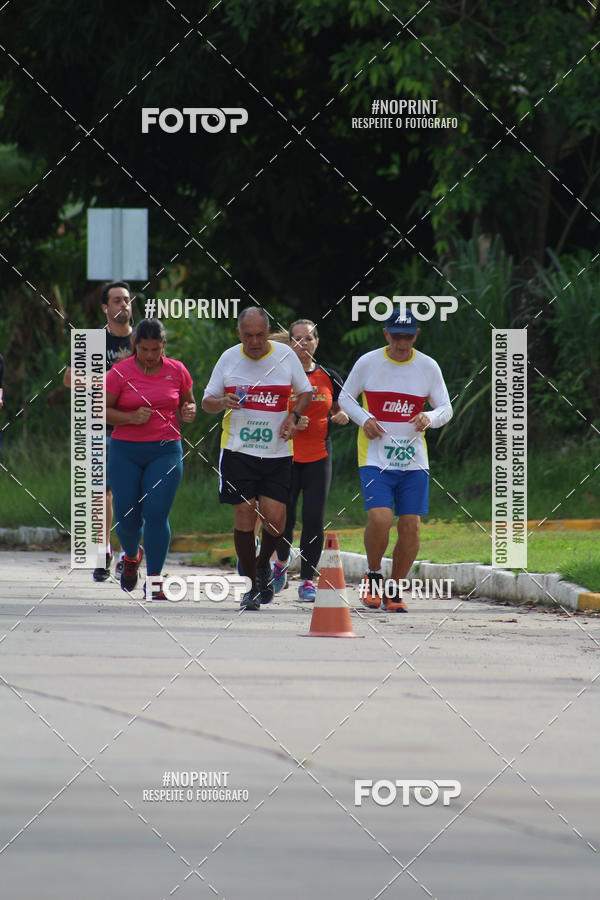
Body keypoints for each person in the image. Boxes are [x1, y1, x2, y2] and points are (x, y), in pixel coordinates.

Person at [338, 308, 452, 612]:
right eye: (397, 336)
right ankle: (373, 575)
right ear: (386, 334)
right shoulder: (369, 362)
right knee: (381, 518)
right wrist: (364, 419)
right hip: (376, 456)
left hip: (413, 459)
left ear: (417, 335)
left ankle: (395, 587)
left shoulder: (427, 367)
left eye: (409, 336)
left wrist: (428, 416)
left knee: (411, 526)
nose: (403, 343)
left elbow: (445, 408)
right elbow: (345, 398)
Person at [202, 306, 312, 610]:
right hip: (238, 451)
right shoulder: (228, 358)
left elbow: (305, 392)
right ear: (239, 334)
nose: (254, 341)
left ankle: (263, 564)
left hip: (276, 452)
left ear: (268, 331)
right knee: (245, 513)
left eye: (260, 335)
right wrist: (222, 401)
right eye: (248, 335)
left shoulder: (285, 356)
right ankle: (249, 586)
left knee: (277, 520)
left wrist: (293, 415)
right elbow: (207, 401)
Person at [105, 318, 196, 597]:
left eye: (155, 350)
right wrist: (130, 418)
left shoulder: (177, 370)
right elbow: (101, 411)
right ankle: (131, 556)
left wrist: (188, 410)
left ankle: (155, 581)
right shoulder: (119, 372)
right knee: (126, 515)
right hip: (125, 451)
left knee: (156, 513)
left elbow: (187, 401)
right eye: (144, 349)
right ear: (135, 345)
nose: (149, 356)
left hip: (165, 451)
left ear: (163, 346)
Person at [271, 319, 349, 601]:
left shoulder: (328, 376)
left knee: (314, 518)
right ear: (289, 342)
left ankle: (307, 580)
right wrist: (290, 420)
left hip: (318, 456)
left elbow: (344, 407)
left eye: (309, 339)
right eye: (298, 339)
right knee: (284, 519)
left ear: (317, 343)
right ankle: (280, 563)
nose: (303, 344)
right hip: (285, 456)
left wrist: (343, 415)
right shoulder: (279, 376)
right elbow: (266, 412)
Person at [64, 281, 133, 581]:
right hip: (100, 425)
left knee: (130, 496)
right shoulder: (93, 342)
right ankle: (103, 550)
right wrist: (107, 380)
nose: (123, 305)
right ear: (105, 307)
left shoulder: (141, 340)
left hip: (134, 426)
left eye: (127, 300)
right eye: (116, 300)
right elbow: (69, 378)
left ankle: (130, 552)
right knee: (101, 492)